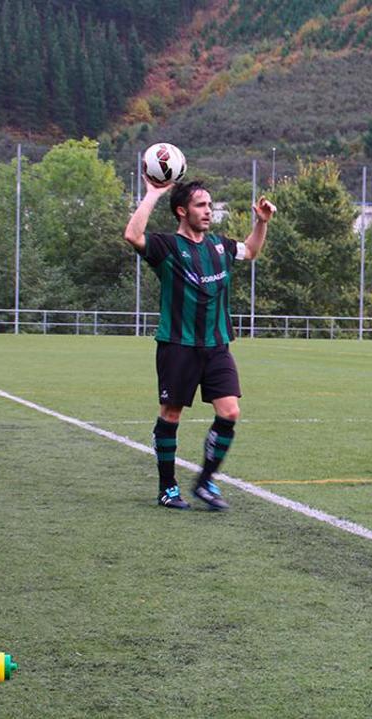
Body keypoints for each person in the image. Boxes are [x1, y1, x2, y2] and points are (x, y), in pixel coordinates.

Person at [123, 176, 275, 510]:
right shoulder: (167, 247)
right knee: (171, 413)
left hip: (217, 344)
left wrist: (261, 223)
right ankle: (167, 488)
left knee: (230, 411)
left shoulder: (220, 246)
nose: (208, 211)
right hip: (178, 345)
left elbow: (250, 250)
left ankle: (205, 481)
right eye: (200, 205)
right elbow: (133, 235)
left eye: (209, 205)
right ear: (182, 211)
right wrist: (153, 194)